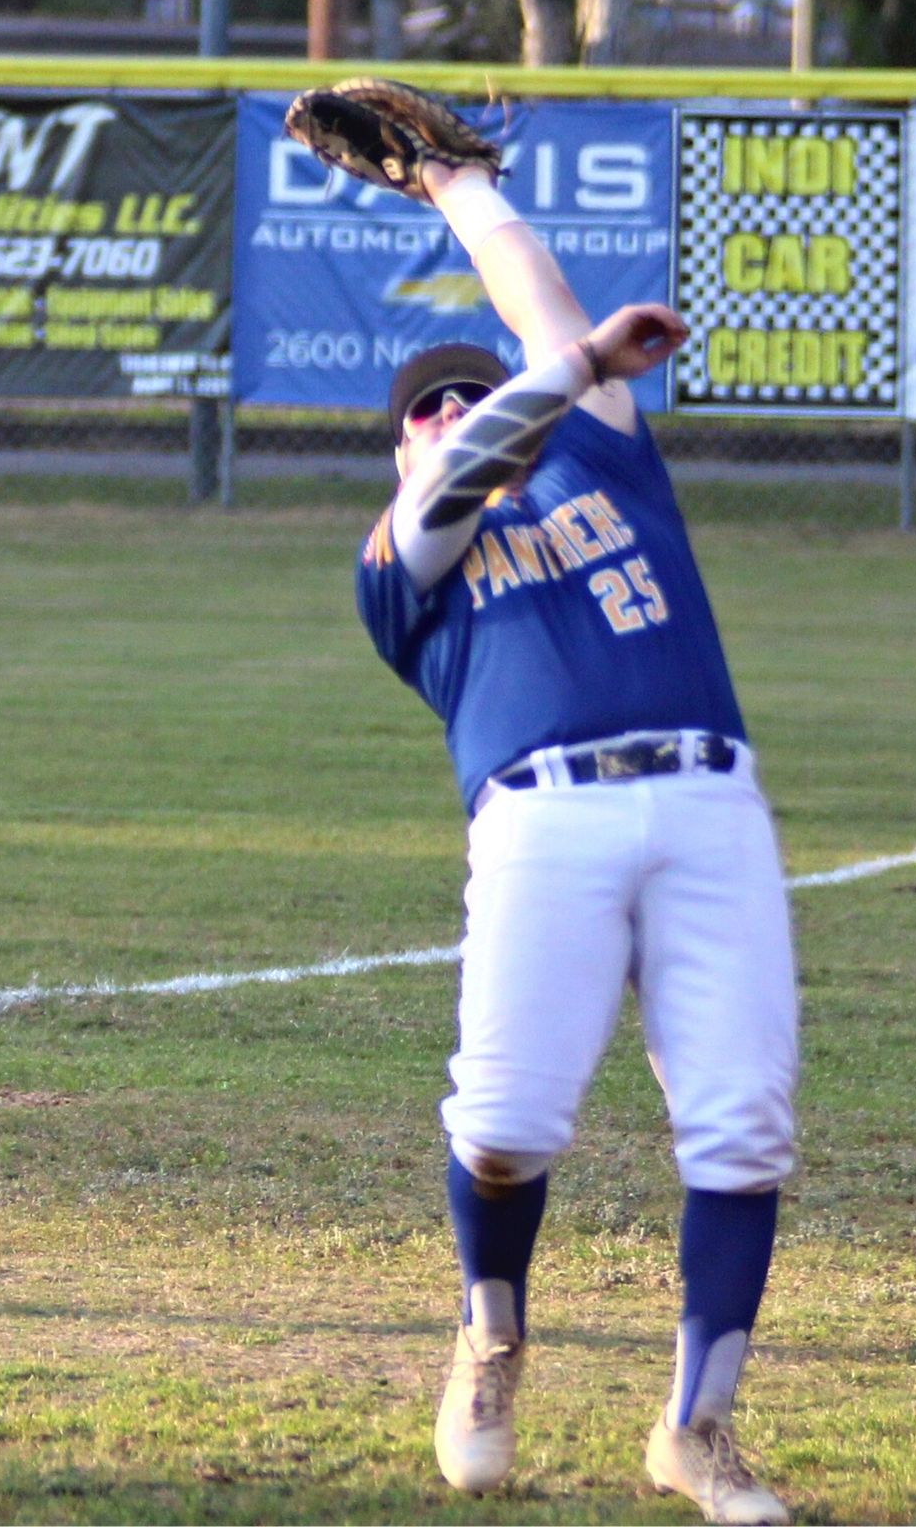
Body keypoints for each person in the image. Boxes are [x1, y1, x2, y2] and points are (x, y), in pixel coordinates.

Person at [354, 143, 800, 1525]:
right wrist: (573, 365)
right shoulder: (405, 558)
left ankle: (697, 1429)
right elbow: (481, 451)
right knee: (503, 1127)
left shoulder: (602, 456)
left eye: (465, 393)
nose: (448, 413)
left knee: (743, 1128)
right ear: (399, 449)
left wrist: (457, 188)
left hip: (711, 801)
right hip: (543, 819)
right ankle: (490, 1339)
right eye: (423, 409)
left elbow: (539, 305)